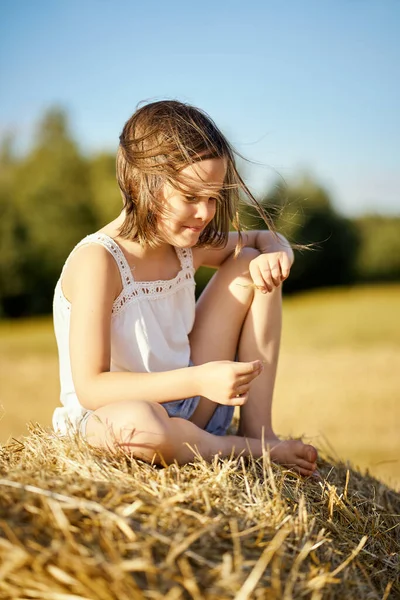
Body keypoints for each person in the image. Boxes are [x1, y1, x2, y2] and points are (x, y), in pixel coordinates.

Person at [52, 100, 318, 476]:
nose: (206, 213)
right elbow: (92, 388)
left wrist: (276, 252)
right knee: (140, 425)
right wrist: (199, 378)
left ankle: (259, 431)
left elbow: (264, 238)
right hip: (115, 417)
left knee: (253, 268)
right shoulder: (100, 260)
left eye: (212, 199)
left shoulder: (184, 244)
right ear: (141, 184)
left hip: (193, 405)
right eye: (192, 197)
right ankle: (244, 451)